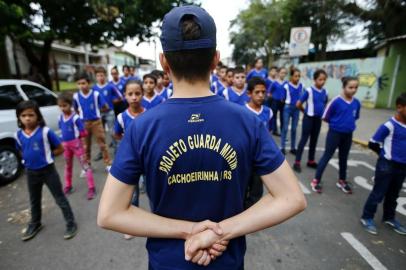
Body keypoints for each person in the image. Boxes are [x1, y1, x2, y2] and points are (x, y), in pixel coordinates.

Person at [98, 6, 306, 270]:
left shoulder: (142, 128)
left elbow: (110, 214)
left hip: (168, 262)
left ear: (164, 62)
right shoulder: (247, 121)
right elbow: (291, 197)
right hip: (227, 260)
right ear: (215, 59)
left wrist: (190, 231)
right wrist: (219, 231)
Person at [15, 100, 77, 241]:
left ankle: (70, 223)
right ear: (19, 117)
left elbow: (60, 148)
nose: (27, 118)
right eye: (23, 115)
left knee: (59, 198)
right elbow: (20, 150)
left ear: (38, 116)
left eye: (31, 115)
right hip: (31, 173)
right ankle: (35, 224)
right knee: (34, 200)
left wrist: (47, 156)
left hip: (48, 171)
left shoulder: (45, 132)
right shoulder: (18, 135)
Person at [360, 93, 406, 235]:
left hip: (402, 167)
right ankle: (367, 217)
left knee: (393, 194)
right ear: (399, 107)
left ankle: (389, 217)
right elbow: (373, 142)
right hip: (387, 165)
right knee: (378, 193)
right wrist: (384, 154)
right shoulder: (389, 125)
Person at [310, 77, 361, 194]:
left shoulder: (356, 103)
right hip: (335, 133)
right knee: (327, 156)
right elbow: (325, 116)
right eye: (350, 87)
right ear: (344, 87)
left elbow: (356, 116)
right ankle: (316, 180)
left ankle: (342, 180)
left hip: (348, 135)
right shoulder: (335, 101)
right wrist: (336, 124)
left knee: (344, 158)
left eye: (356, 87)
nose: (353, 90)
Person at [113, 80, 146, 239]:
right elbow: (117, 134)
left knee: (154, 188)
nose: (134, 97)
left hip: (149, 159)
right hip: (132, 160)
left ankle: (162, 222)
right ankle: (132, 226)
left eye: (137, 93)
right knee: (132, 193)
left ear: (142, 94)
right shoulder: (121, 117)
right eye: (130, 94)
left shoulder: (149, 114)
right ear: (125, 96)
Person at [57, 93, 96, 200]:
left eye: (65, 105)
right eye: (60, 106)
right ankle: (68, 185)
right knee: (68, 166)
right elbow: (61, 130)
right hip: (66, 146)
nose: (62, 108)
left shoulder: (75, 118)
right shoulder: (60, 117)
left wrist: (79, 138)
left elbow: (83, 132)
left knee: (85, 165)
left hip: (76, 145)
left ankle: (92, 188)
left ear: (70, 105)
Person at [244, 77, 274, 209]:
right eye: (257, 92)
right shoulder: (241, 111)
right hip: (244, 158)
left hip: (259, 159)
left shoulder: (268, 112)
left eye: (263, 92)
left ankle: (251, 215)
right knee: (242, 187)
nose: (261, 95)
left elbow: (269, 133)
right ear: (249, 94)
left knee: (257, 190)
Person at [73, 72, 112, 172]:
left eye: (83, 83)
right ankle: (87, 166)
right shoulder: (76, 96)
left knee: (102, 144)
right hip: (83, 123)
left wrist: (97, 112)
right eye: (79, 83)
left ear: (89, 83)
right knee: (86, 146)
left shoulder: (95, 94)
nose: (81, 86)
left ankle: (108, 164)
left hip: (96, 122)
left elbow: (105, 106)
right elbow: (76, 109)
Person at [293, 69, 328, 173]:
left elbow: (324, 103)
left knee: (314, 140)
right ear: (315, 80)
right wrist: (305, 112)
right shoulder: (309, 90)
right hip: (308, 119)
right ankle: (297, 162)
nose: (322, 82)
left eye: (324, 80)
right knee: (304, 139)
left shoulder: (325, 91)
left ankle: (311, 160)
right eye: (320, 79)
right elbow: (298, 104)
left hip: (318, 119)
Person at [92, 66, 123, 157]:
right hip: (98, 114)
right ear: (96, 77)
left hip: (109, 112)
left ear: (105, 76)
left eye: (102, 75)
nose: (100, 77)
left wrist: (112, 102)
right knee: (100, 134)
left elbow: (120, 97)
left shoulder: (110, 86)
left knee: (112, 132)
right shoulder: (94, 88)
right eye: (98, 76)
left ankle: (117, 151)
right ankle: (102, 152)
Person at [280, 68, 303, 155]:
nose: (297, 78)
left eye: (299, 76)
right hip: (288, 108)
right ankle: (282, 147)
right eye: (295, 76)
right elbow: (282, 98)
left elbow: (302, 97)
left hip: (296, 109)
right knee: (285, 128)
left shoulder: (301, 85)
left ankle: (293, 147)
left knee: (294, 129)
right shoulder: (286, 86)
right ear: (291, 76)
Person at [269, 67, 287, 136]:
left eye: (284, 73)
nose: (283, 74)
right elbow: (269, 92)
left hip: (283, 102)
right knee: (274, 116)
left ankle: (282, 131)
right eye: (282, 73)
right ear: (278, 73)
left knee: (283, 116)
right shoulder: (274, 82)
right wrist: (272, 97)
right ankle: (275, 130)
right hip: (275, 101)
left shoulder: (286, 83)